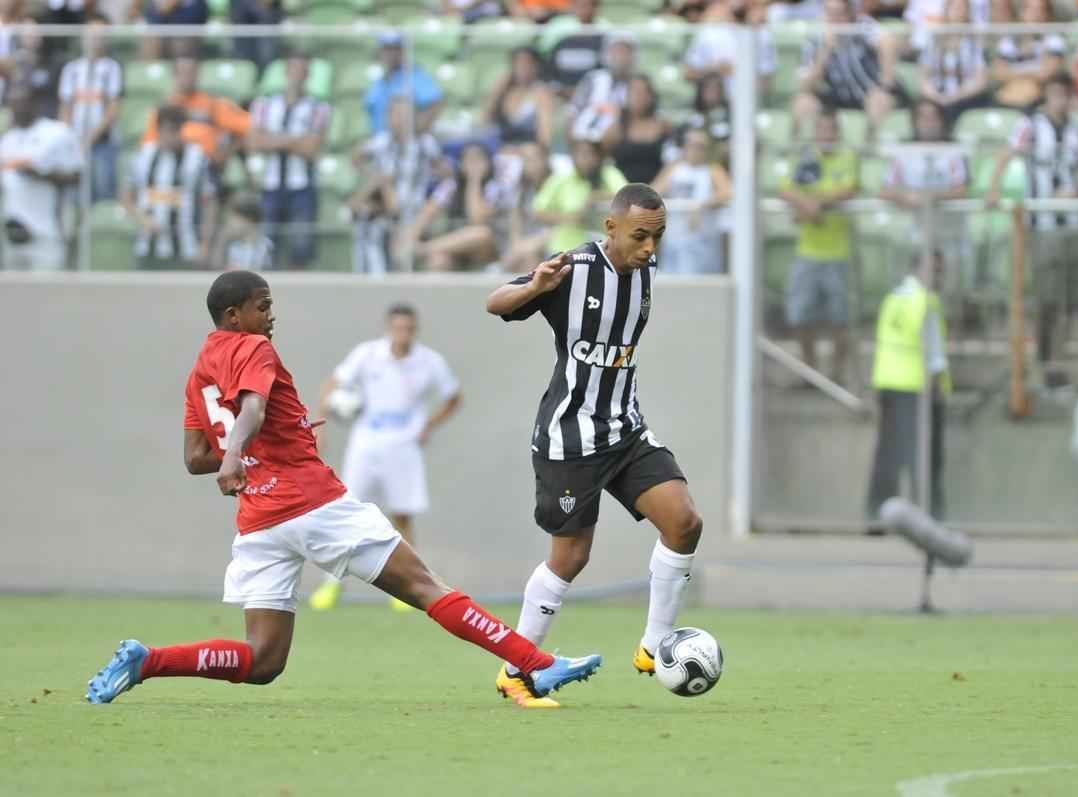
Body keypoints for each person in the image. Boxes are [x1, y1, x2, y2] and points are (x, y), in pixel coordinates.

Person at [84, 270, 602, 706]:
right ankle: (535, 663)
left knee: (263, 661)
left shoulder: (200, 372)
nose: (271, 316)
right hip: (312, 504)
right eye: (262, 307)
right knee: (426, 587)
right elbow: (253, 410)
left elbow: (195, 457)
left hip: (258, 522)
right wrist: (242, 450)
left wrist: (251, 450)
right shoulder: (255, 348)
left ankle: (149, 661)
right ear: (233, 317)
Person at [485, 183, 703, 709]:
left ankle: (654, 646)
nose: (650, 248)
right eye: (640, 236)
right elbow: (496, 303)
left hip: (625, 430)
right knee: (571, 556)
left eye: (658, 237)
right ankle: (516, 669)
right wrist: (534, 286)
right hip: (569, 438)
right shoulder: (573, 268)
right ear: (610, 228)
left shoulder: (645, 271)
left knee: (684, 522)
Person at [308, 304, 462, 611]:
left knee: (402, 515)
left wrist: (428, 426)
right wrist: (320, 425)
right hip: (367, 440)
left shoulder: (429, 362)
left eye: (408, 328)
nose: (402, 334)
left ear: (415, 330)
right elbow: (332, 385)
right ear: (388, 328)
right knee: (347, 509)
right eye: (398, 328)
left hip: (404, 444)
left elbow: (453, 396)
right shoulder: (367, 355)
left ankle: (410, 587)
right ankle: (331, 585)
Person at [987, 73, 1078, 376]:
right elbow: (1006, 155)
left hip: (1074, 224)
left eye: (1064, 93)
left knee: (1077, 297)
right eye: (1054, 93)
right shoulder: (1030, 125)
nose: (1059, 99)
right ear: (1046, 95)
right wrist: (993, 189)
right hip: (1044, 225)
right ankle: (1047, 366)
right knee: (1048, 297)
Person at [866, 250, 950, 524]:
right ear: (919, 269)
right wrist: (936, 389)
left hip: (888, 382)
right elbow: (934, 354)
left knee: (888, 456)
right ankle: (930, 516)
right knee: (923, 458)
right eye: (935, 271)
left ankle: (875, 515)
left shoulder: (893, 298)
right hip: (917, 387)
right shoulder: (925, 302)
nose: (938, 278)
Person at [779, 107, 858, 387]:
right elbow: (785, 188)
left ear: (837, 132)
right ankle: (809, 370)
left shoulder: (847, 156)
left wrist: (815, 203)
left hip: (838, 250)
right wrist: (808, 205)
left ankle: (837, 373)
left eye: (830, 129)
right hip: (808, 250)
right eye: (820, 129)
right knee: (801, 314)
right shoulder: (806, 157)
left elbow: (849, 189)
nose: (825, 135)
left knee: (840, 318)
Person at [247, 51, 330, 271]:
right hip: (271, 184)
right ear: (286, 72)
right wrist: (294, 140)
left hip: (301, 187)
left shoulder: (318, 107)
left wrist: (273, 139)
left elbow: (311, 148)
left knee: (300, 245)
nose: (297, 74)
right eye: (293, 68)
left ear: (308, 75)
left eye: (302, 70)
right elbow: (254, 142)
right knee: (267, 243)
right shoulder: (264, 105)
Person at [349, 97, 446, 274]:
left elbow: (443, 170)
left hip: (415, 208)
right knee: (367, 217)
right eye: (393, 114)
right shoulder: (382, 141)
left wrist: (432, 179)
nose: (397, 119)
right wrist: (373, 175)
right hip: (388, 206)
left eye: (402, 114)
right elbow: (356, 157)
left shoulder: (424, 143)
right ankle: (371, 273)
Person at [792, 0, 903, 141]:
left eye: (839, 14)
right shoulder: (816, 37)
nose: (835, 20)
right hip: (835, 95)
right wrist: (825, 51)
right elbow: (804, 86)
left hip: (868, 92)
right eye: (830, 14)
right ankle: (797, 152)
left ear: (850, 13)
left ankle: (868, 151)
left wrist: (885, 87)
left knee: (879, 101)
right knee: (802, 102)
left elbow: (888, 42)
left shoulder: (861, 26)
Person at [123, 104, 217, 269]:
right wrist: (143, 218)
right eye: (166, 130)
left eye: (175, 130)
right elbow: (126, 197)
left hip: (186, 247)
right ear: (158, 130)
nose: (170, 136)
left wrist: (205, 244)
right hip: (148, 247)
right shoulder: (143, 155)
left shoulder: (197, 157)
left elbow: (209, 202)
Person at [0, 83, 82, 271]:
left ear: (34, 103)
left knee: (49, 295)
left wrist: (41, 175)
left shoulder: (56, 132)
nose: (16, 107)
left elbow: (77, 177)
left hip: (47, 232)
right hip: (14, 234)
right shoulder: (7, 139)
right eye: (12, 103)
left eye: (21, 102)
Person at [406, 141, 507, 271]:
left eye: (478, 159)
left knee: (481, 233)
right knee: (438, 259)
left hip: (486, 249)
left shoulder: (494, 187)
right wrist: (411, 236)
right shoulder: (451, 186)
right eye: (469, 160)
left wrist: (474, 180)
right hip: (455, 246)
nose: (473, 164)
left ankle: (423, 249)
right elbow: (427, 213)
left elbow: (477, 219)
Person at [58, 13, 122, 203]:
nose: (95, 38)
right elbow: (65, 106)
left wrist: (90, 138)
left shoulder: (112, 68)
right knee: (73, 195)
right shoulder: (72, 69)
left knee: (103, 192)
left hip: (102, 142)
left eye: (100, 33)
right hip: (75, 142)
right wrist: (70, 137)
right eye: (91, 33)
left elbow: (113, 109)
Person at [142, 56, 251, 167]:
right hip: (170, 166)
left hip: (207, 167)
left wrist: (227, 150)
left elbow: (248, 127)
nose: (187, 78)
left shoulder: (212, 105)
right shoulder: (164, 108)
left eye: (191, 73)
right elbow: (149, 145)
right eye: (183, 73)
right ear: (174, 75)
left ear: (198, 75)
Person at [651, 126, 732, 275]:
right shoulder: (675, 168)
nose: (695, 150)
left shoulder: (713, 170)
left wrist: (702, 205)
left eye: (701, 146)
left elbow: (727, 193)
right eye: (692, 145)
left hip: (701, 241)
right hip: (674, 239)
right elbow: (652, 192)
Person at [533, 139, 626, 255]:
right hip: (566, 249)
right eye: (581, 154)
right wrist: (571, 218)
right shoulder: (561, 178)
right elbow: (538, 212)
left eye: (590, 154)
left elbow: (628, 198)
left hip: (605, 250)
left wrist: (597, 197)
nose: (586, 160)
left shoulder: (609, 173)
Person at [918, 0, 991, 133]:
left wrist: (955, 96)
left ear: (968, 12)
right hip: (937, 96)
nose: (958, 12)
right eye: (955, 7)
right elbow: (924, 78)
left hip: (966, 97)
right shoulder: (934, 40)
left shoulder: (975, 42)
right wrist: (936, 96)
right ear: (947, 10)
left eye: (962, 8)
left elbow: (981, 80)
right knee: (926, 109)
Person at [682, 0, 777, 97]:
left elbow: (765, 84)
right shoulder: (709, 32)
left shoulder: (763, 35)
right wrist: (716, 70)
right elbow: (688, 73)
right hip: (713, 103)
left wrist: (741, 72)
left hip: (749, 102)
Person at [364, 31, 443, 137]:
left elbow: (434, 104)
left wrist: (414, 132)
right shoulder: (378, 82)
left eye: (395, 48)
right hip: (380, 142)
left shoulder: (415, 76)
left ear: (403, 51)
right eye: (386, 48)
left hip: (406, 144)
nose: (390, 54)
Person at [992, 0, 1066, 111]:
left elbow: (1046, 74)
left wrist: (1013, 73)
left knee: (1029, 89)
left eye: (1041, 10)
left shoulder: (1053, 40)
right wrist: (1030, 74)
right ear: (1022, 13)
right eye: (1031, 10)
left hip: (1037, 99)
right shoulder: (1008, 40)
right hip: (1008, 95)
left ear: (1047, 15)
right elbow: (999, 73)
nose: (1036, 15)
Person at [481, 47, 554, 152]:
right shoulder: (504, 90)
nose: (522, 68)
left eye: (526, 63)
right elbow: (485, 121)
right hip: (500, 148)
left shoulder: (541, 92)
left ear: (536, 66)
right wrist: (496, 92)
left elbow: (545, 135)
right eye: (517, 63)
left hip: (527, 151)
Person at [567, 33, 636, 143]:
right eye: (616, 51)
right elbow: (573, 111)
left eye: (624, 52)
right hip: (584, 137)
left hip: (619, 139)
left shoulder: (636, 83)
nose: (620, 57)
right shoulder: (593, 78)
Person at [604, 74, 671, 186]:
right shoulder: (618, 125)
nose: (638, 97)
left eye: (643, 92)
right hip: (620, 190)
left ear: (651, 96)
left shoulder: (663, 126)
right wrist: (617, 118)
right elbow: (602, 153)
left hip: (654, 190)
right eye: (634, 92)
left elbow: (672, 162)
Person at [499, 141, 552, 272]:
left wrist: (529, 245)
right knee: (524, 260)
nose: (531, 164)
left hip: (550, 246)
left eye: (535, 159)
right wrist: (518, 246)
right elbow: (515, 229)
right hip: (524, 249)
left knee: (531, 259)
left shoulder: (557, 185)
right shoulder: (521, 191)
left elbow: (560, 227)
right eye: (526, 160)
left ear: (545, 160)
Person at [542, 0, 605, 93]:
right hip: (561, 93)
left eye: (587, 5)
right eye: (579, 5)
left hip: (592, 93)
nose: (583, 10)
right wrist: (561, 89)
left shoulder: (604, 34)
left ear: (595, 8)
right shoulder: (561, 33)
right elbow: (549, 70)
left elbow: (602, 72)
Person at [681, 71, 731, 167]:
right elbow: (680, 142)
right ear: (701, 91)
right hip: (692, 165)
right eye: (708, 88)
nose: (712, 92)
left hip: (719, 167)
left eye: (716, 88)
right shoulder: (691, 116)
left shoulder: (731, 118)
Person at [215, 192, 273, 271]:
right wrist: (221, 241)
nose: (230, 223)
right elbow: (216, 269)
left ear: (249, 220)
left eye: (234, 219)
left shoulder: (266, 246)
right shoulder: (233, 247)